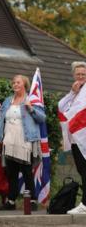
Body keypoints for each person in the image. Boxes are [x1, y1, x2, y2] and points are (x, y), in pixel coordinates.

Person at [0, 75, 46, 211]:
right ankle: (11, 201)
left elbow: (42, 118)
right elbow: (1, 120)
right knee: (11, 171)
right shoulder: (7, 101)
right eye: (13, 82)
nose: (15, 84)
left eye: (18, 82)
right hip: (9, 138)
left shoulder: (31, 100)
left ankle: (32, 200)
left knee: (26, 171)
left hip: (25, 139)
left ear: (25, 84)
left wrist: (31, 108)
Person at [58, 61, 86, 214]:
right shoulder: (75, 94)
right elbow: (61, 107)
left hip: (85, 138)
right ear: (74, 76)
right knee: (82, 171)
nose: (81, 76)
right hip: (75, 139)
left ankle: (85, 205)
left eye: (83, 74)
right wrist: (72, 93)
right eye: (78, 74)